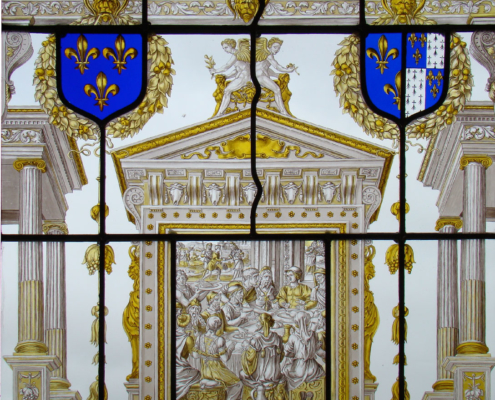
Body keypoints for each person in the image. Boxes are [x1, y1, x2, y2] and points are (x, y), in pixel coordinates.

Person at [192, 317, 243, 400]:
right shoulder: (219, 340)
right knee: (238, 384)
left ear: (207, 325)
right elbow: (225, 358)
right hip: (216, 371)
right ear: (218, 327)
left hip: (205, 370)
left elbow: (195, 355)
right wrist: (231, 347)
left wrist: (205, 355)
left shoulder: (200, 338)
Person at [240, 313, 287, 399]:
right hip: (275, 375)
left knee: (242, 373)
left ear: (261, 323)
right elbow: (281, 356)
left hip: (260, 376)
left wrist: (245, 351)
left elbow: (250, 358)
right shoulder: (277, 337)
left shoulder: (256, 338)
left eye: (259, 321)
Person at [281, 312, 326, 391]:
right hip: (313, 369)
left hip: (299, 368)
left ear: (297, 323)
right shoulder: (313, 335)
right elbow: (319, 352)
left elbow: (287, 353)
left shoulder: (293, 337)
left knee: (285, 370)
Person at [255, 37, 297, 116]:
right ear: (269, 46)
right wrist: (288, 70)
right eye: (275, 47)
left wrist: (277, 75)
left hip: (261, 76)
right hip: (260, 76)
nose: (277, 50)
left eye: (278, 48)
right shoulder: (268, 54)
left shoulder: (266, 55)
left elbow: (266, 69)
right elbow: (277, 66)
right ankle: (283, 112)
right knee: (277, 89)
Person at [209, 38, 251, 116]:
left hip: (243, 77)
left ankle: (220, 113)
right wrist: (227, 76)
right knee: (227, 90)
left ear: (231, 45)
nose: (225, 50)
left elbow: (226, 66)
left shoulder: (236, 55)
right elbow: (237, 70)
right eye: (223, 48)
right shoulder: (238, 54)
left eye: (226, 47)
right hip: (242, 76)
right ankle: (220, 112)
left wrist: (215, 70)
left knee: (227, 91)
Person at [176, 312, 201, 399]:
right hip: (182, 371)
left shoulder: (171, 336)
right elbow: (195, 355)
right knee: (198, 374)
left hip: (173, 370)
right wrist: (197, 339)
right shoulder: (188, 339)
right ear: (188, 325)